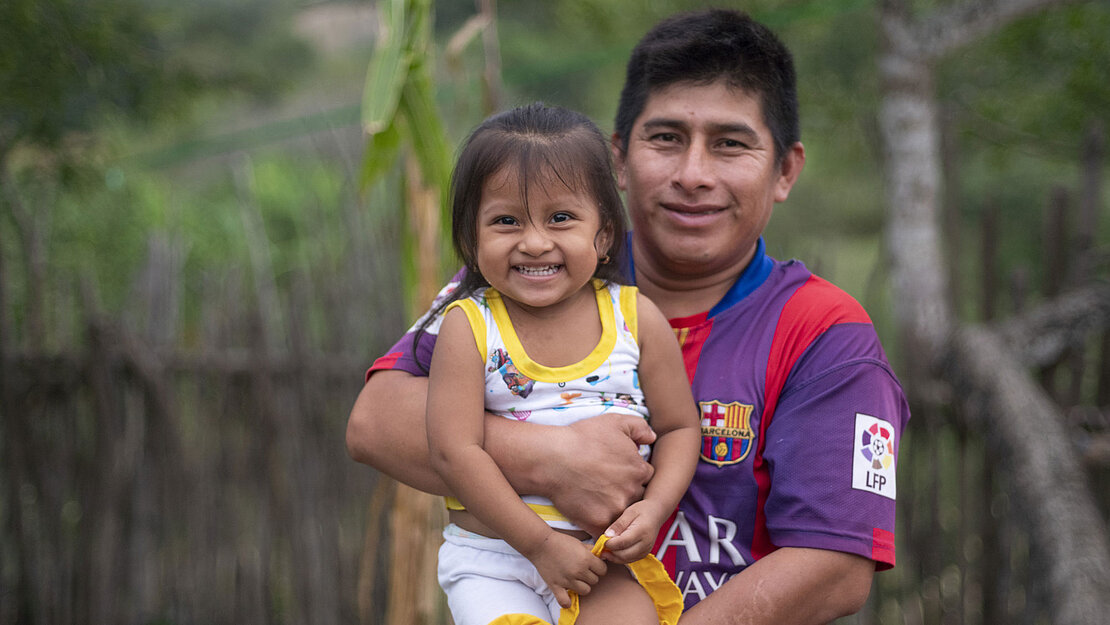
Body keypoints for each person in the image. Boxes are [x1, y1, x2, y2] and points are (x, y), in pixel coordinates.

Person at [348, 9, 911, 624]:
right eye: (666, 138)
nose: (693, 175)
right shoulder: (530, 277)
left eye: (731, 144)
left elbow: (835, 566)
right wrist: (554, 458)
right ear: (617, 160)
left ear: (785, 171)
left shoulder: (827, 334)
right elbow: (376, 421)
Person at [421, 102, 699, 625]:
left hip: (604, 561)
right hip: (495, 560)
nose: (534, 241)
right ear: (470, 237)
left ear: (605, 233)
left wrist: (655, 508)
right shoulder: (469, 325)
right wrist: (540, 544)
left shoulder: (635, 318)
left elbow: (681, 426)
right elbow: (453, 453)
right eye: (505, 221)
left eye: (561, 218)